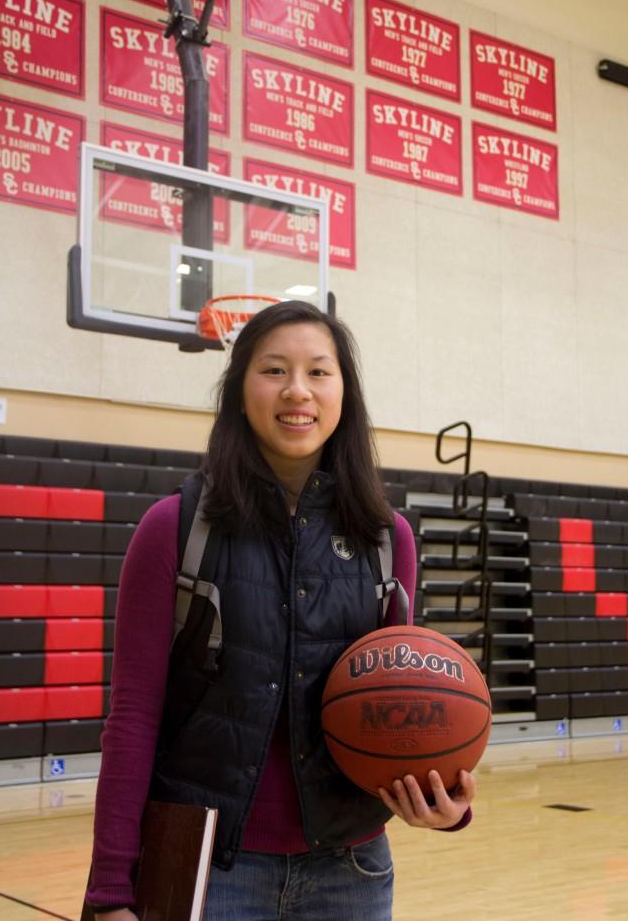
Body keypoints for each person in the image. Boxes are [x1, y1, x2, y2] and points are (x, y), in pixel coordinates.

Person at [85, 300, 476, 921]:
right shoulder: (175, 528)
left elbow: (398, 698)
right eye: (274, 370)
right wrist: (109, 891)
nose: (298, 390)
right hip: (209, 871)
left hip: (352, 871)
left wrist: (444, 796)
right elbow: (133, 717)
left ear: (345, 394)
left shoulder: (387, 538)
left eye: (320, 372)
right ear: (240, 391)